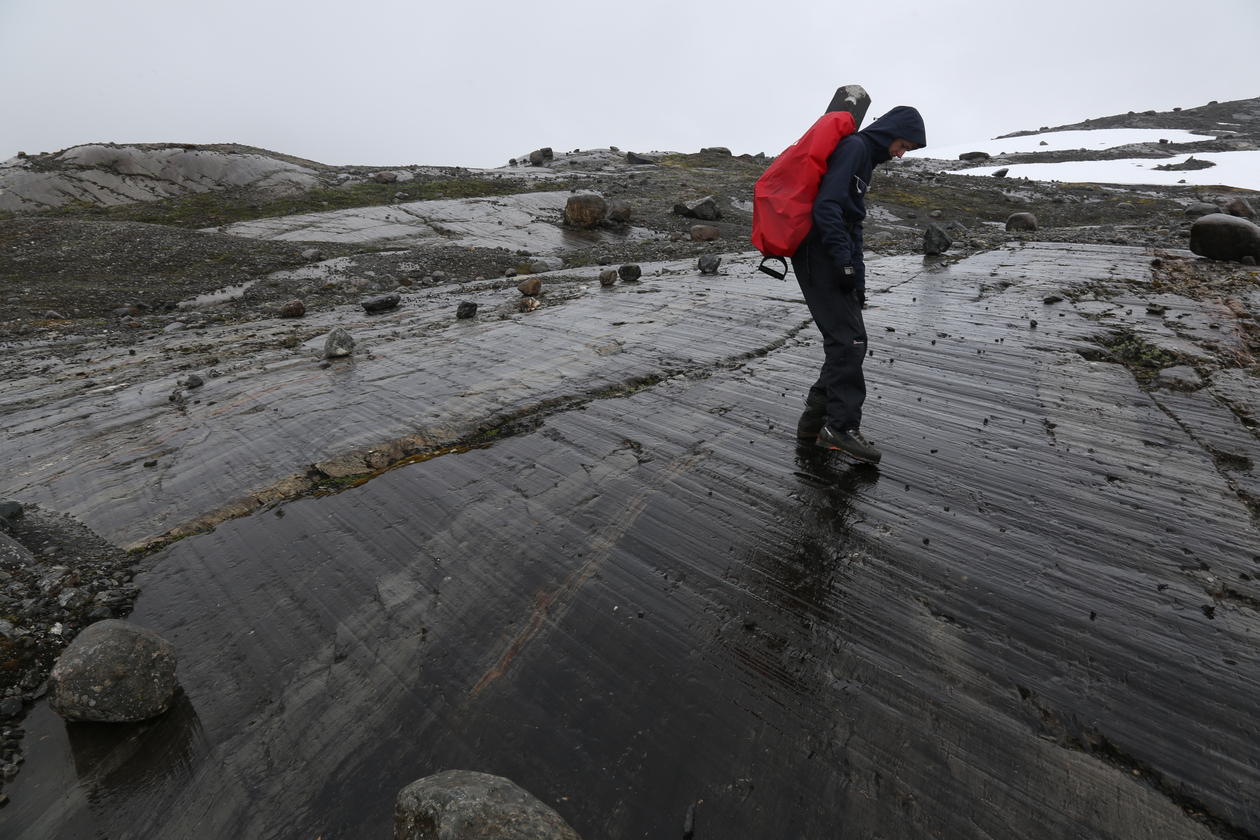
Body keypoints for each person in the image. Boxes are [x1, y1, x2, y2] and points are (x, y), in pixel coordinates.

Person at [792, 106, 926, 464]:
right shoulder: (854, 148)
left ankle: (814, 423)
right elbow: (827, 208)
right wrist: (842, 262)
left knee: (848, 340)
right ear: (890, 132)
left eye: (907, 150)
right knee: (848, 342)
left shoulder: (865, 158)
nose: (901, 154)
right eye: (902, 145)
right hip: (817, 251)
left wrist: (858, 278)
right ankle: (840, 428)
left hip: (829, 252)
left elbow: (853, 222)